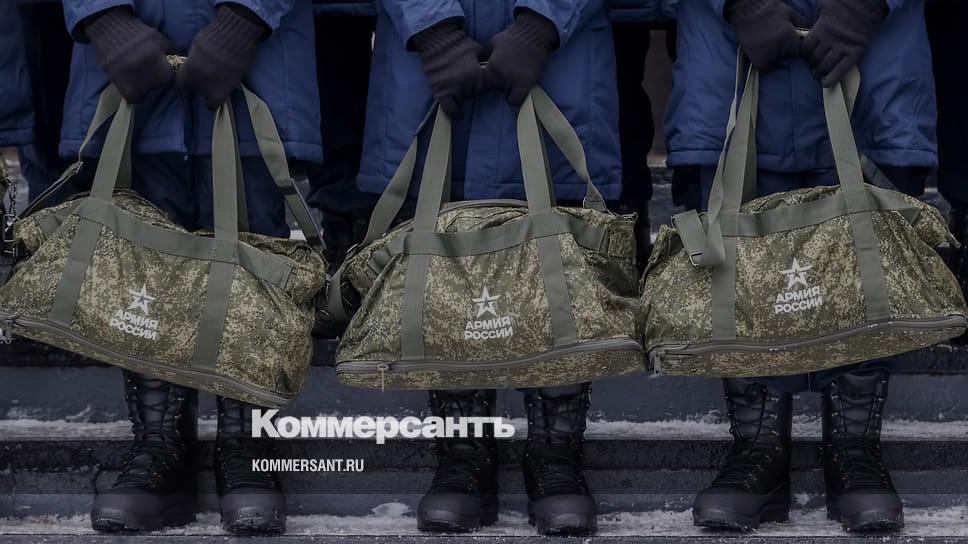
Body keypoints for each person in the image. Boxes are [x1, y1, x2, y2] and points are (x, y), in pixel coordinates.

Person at [666, 0, 936, 533]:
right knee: (741, 268)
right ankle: (756, 447)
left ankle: (856, 446)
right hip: (730, 56)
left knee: (868, 259)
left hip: (874, 58)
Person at [58, 0, 321, 534]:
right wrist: (104, 16)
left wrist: (246, 15)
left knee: (252, 249)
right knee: (142, 260)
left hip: (258, 50)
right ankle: (158, 442)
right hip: (130, 58)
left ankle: (247, 439)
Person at [360, 0, 622, 535]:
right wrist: (433, 27)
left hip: (558, 55)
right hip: (430, 64)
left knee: (560, 256)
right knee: (445, 256)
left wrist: (542, 22)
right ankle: (461, 451)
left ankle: (555, 451)